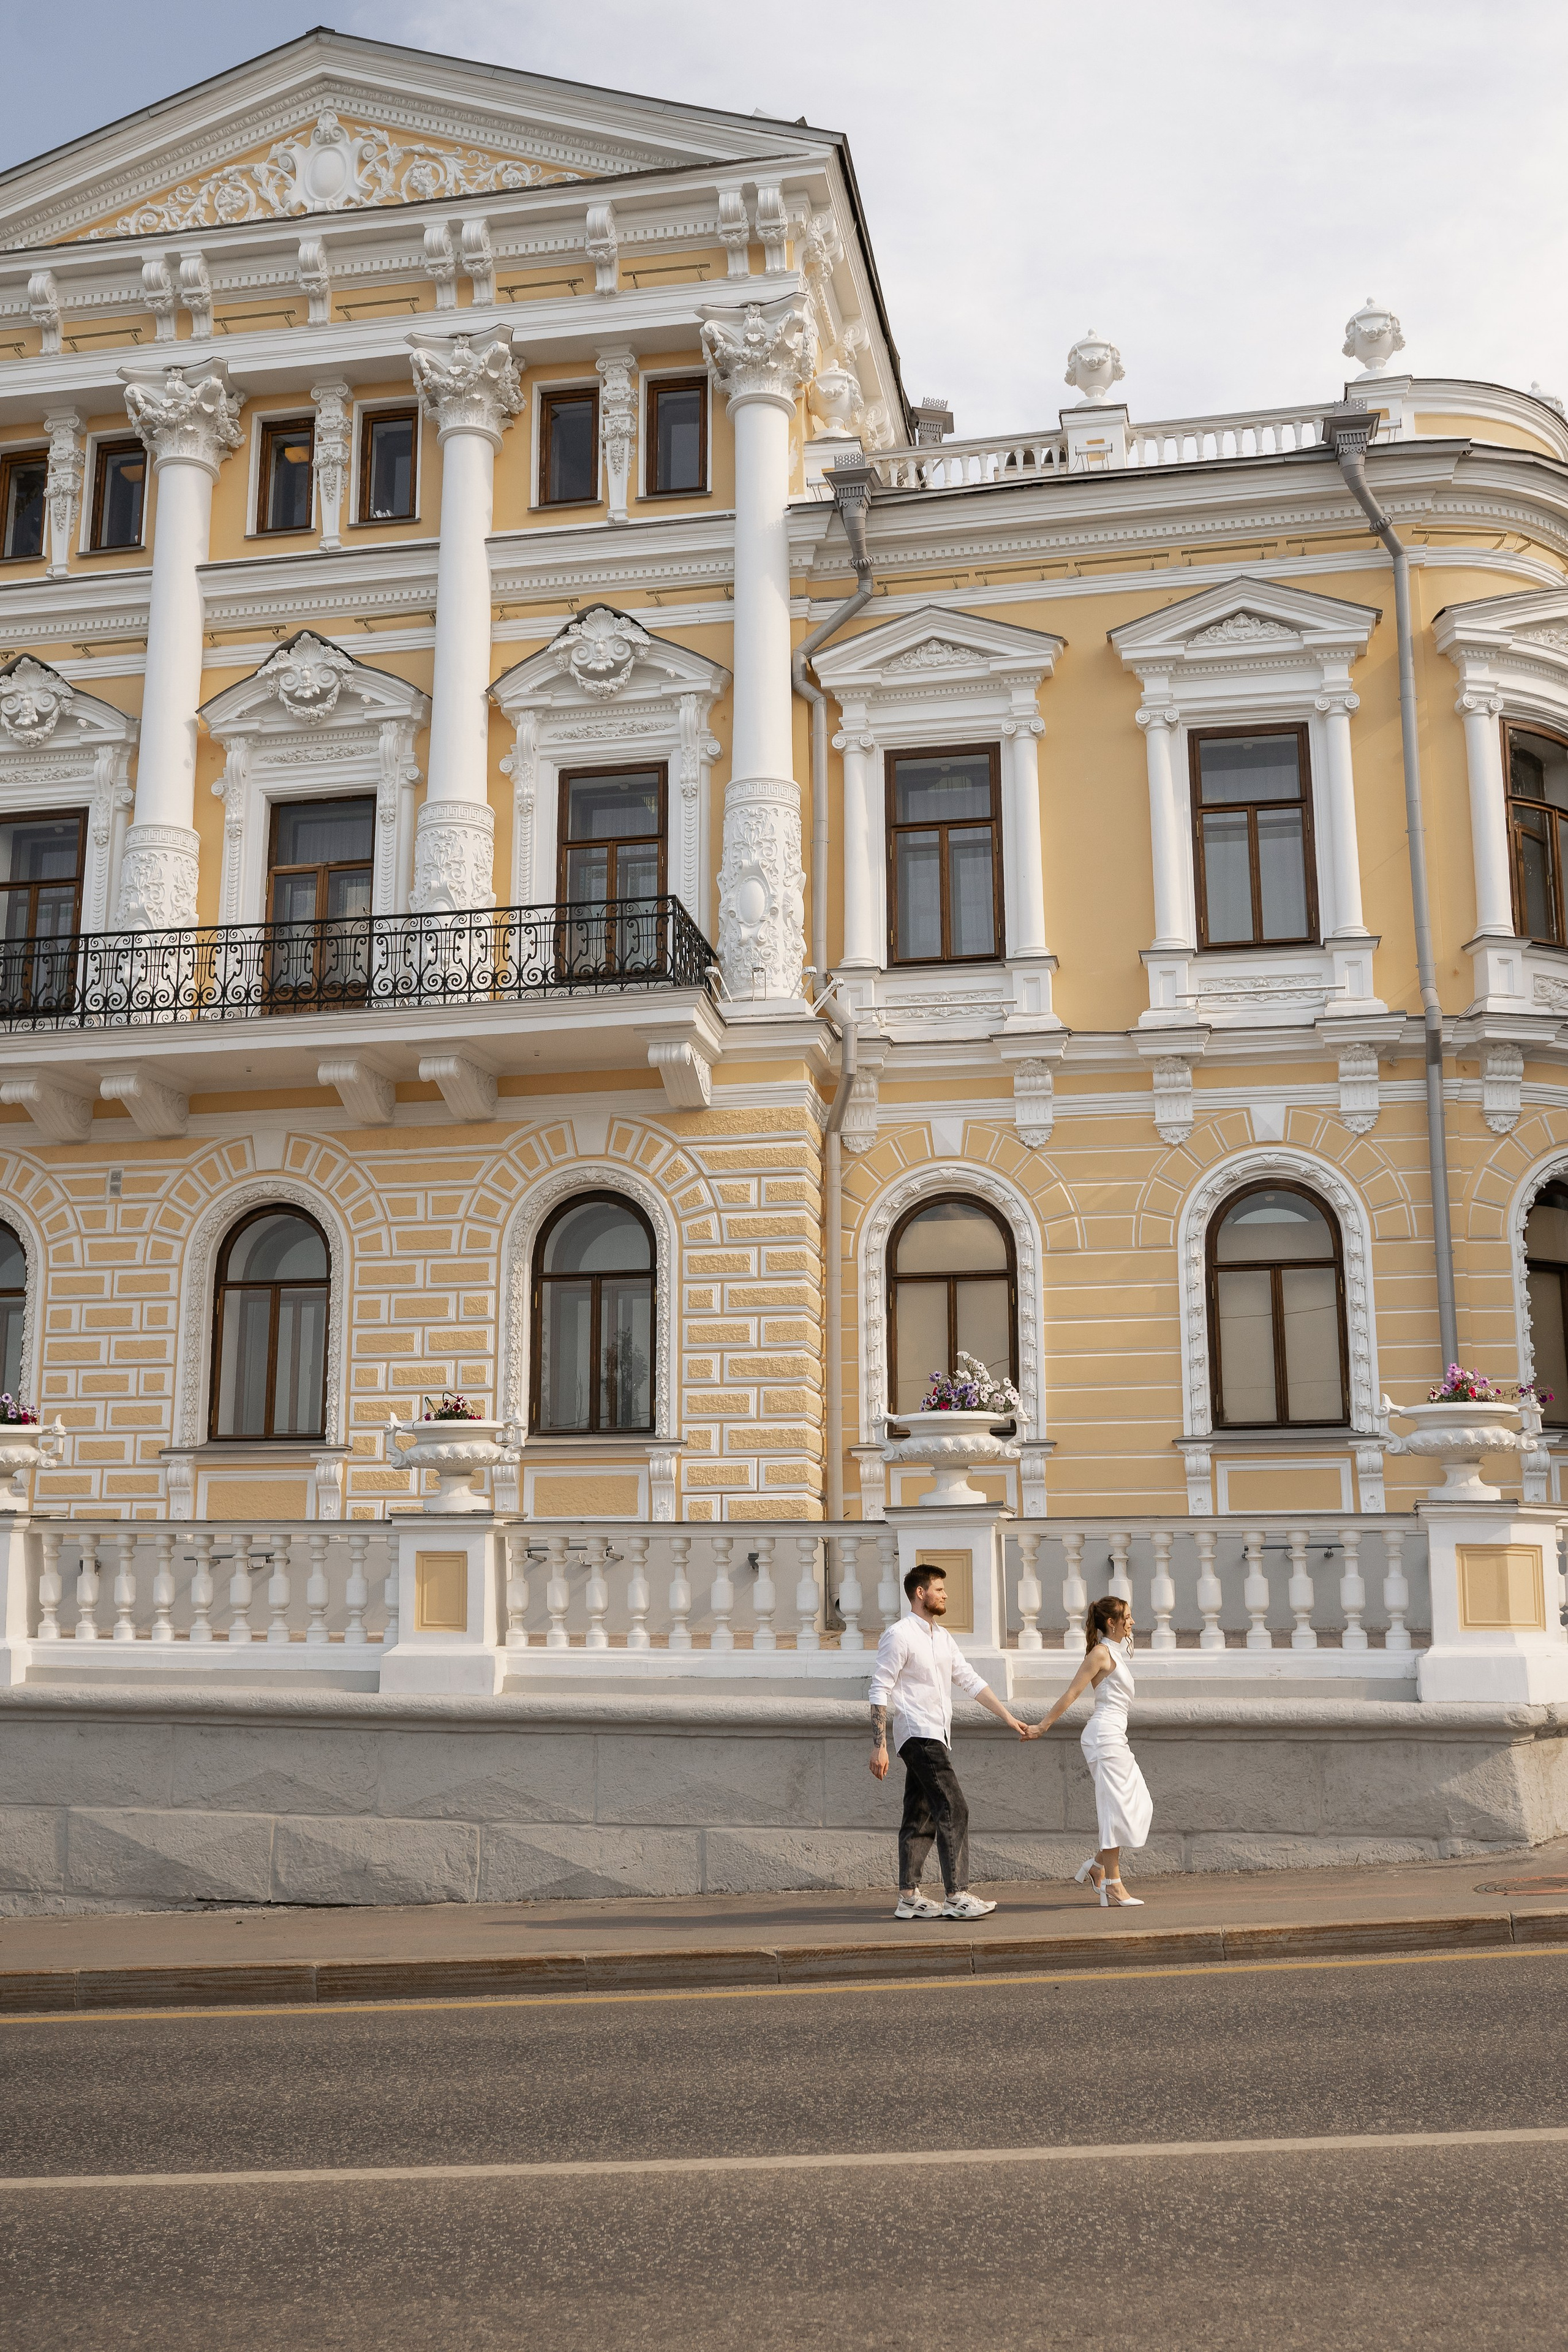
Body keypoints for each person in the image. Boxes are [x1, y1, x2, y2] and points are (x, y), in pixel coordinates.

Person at [868, 1561, 1028, 1921]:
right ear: (920, 1593)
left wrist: (1008, 1718)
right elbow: (880, 1688)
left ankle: (909, 1896)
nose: (946, 1595)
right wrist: (878, 1744)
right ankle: (956, 1894)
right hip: (918, 1733)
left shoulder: (942, 1637)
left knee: (920, 1813)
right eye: (939, 1589)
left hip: (937, 1734)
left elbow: (969, 1680)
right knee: (954, 1808)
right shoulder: (899, 1634)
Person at [1023, 1594, 1152, 1907]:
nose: (1132, 1622)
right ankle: (1113, 1884)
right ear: (1112, 1622)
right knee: (1113, 1810)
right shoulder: (1100, 1654)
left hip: (1115, 1736)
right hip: (1103, 1735)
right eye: (1128, 1617)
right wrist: (1043, 1726)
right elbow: (1072, 1693)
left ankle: (1097, 1868)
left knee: (1139, 1806)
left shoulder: (1117, 1653)